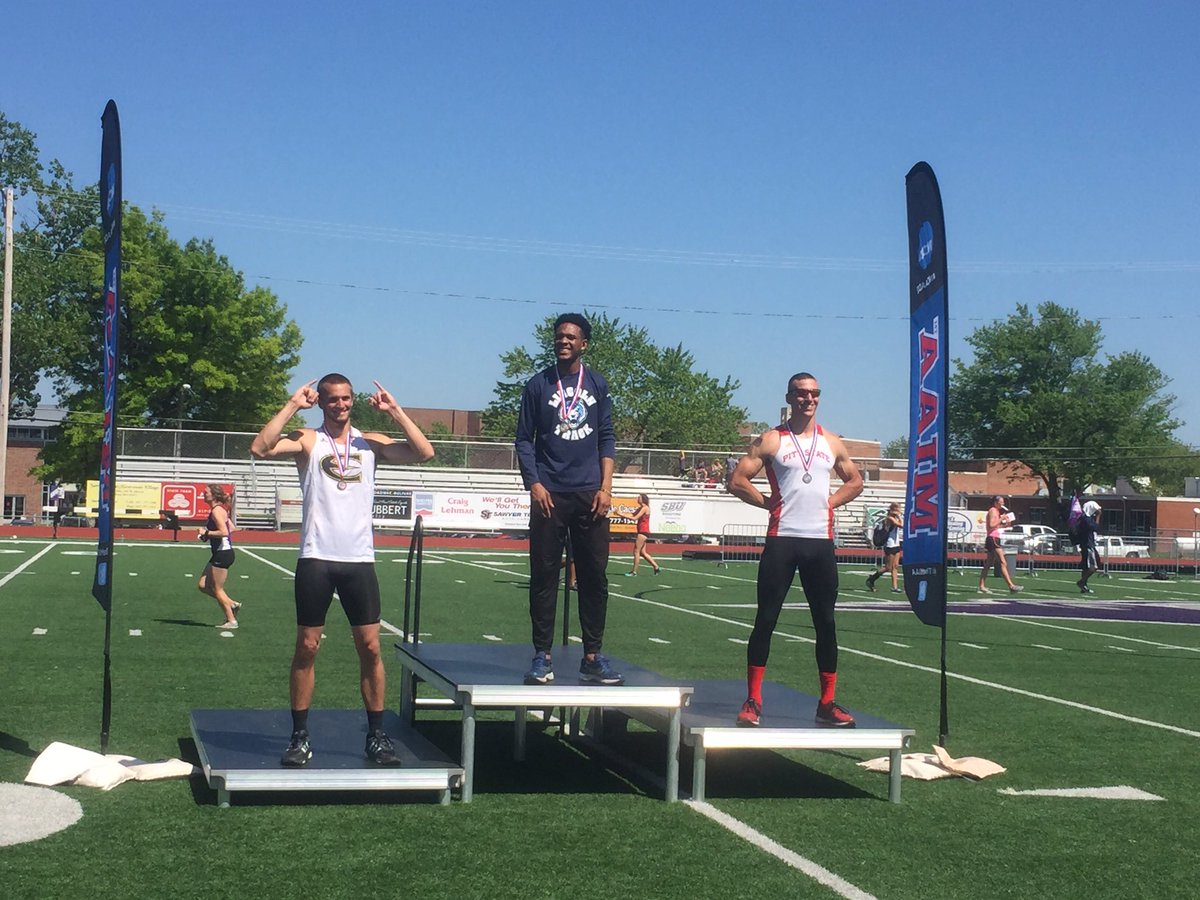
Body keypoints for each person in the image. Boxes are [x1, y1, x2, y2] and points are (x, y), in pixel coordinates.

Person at [250, 374, 434, 768]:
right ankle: (300, 737)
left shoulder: (370, 444)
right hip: (316, 558)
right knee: (307, 647)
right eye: (332, 399)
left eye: (346, 399)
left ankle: (377, 737)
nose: (340, 405)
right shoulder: (308, 440)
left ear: (353, 400)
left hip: (359, 560)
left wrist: (396, 411)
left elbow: (424, 452)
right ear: (322, 403)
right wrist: (291, 405)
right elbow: (260, 447)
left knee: (370, 647)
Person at [728, 372, 864, 728]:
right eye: (801, 393)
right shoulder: (771, 440)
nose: (808, 399)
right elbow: (737, 480)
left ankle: (827, 702)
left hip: (820, 542)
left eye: (814, 393)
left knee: (826, 623)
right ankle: (753, 700)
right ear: (789, 398)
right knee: (766, 620)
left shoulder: (832, 442)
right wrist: (767, 503)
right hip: (782, 539)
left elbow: (856, 480)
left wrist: (830, 503)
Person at [515, 312, 622, 686]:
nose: (564, 341)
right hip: (550, 495)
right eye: (560, 336)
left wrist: (606, 488)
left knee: (594, 578)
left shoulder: (597, 384)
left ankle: (592, 656)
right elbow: (523, 440)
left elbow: (606, 437)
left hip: (590, 495)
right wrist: (535, 484)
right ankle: (541, 656)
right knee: (543, 577)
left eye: (571, 337)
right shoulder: (537, 385)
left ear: (584, 344)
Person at [197, 484, 240, 628]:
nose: (204, 494)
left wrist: (206, 533)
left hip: (223, 553)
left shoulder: (216, 511)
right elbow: (232, 528)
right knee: (203, 585)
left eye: (206, 492)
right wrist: (207, 536)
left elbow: (225, 532)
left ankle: (231, 620)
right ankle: (231, 604)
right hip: (220, 552)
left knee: (217, 589)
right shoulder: (219, 510)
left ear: (214, 495)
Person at [977, 495, 1023, 594]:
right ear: (996, 502)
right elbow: (991, 525)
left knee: (988, 564)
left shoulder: (996, 512)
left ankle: (981, 586)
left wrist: (1005, 524)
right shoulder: (993, 511)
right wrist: (1001, 518)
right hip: (993, 538)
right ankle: (1011, 586)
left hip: (993, 537)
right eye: (1001, 502)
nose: (1003, 504)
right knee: (1003, 562)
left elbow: (996, 526)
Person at [866, 502, 903, 593]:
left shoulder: (894, 518)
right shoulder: (889, 518)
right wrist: (899, 517)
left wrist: (898, 517)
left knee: (895, 566)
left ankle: (894, 587)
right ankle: (872, 579)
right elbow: (901, 525)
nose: (899, 511)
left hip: (896, 543)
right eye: (898, 509)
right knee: (888, 567)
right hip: (890, 544)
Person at [624, 493, 660, 577]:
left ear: (643, 499)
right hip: (642, 531)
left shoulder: (645, 508)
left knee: (636, 551)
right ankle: (656, 567)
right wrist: (621, 514)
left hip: (643, 531)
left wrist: (621, 515)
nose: (637, 499)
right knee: (643, 553)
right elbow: (632, 515)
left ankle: (634, 572)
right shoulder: (641, 508)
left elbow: (634, 518)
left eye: (639, 497)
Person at [1077, 500, 1102, 593]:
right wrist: (1098, 516)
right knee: (1093, 566)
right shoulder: (1085, 519)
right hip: (1088, 544)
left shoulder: (1086, 518)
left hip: (1088, 544)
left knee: (1086, 566)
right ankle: (1082, 582)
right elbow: (1095, 527)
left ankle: (1084, 585)